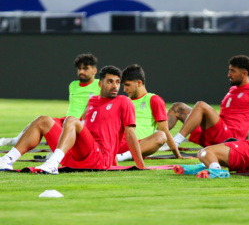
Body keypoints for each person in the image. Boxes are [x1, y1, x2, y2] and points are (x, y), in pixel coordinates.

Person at [0, 65, 145, 174]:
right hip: (77, 156)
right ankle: (7, 160)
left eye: (118, 82)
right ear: (100, 84)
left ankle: (52, 163)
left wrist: (140, 165)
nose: (115, 86)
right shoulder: (92, 102)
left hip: (99, 158)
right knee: (43, 120)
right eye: (110, 82)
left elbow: (130, 134)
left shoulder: (123, 101)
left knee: (71, 120)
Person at [166, 55, 249, 149]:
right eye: (229, 70)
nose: (229, 74)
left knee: (201, 105)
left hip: (228, 137)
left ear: (244, 74)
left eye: (233, 71)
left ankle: (176, 141)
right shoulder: (233, 90)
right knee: (178, 107)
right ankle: (157, 139)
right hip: (216, 133)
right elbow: (243, 118)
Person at [0, 53, 101, 146]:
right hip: (66, 121)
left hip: (84, 124)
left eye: (85, 68)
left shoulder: (100, 85)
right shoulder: (73, 85)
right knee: (38, 121)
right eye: (79, 69)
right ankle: (15, 141)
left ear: (94, 71)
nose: (81, 71)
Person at [116, 64, 186, 161]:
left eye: (127, 85)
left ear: (139, 83)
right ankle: (123, 156)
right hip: (117, 143)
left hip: (139, 144)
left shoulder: (154, 100)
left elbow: (165, 130)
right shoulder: (123, 101)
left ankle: (123, 157)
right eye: (124, 86)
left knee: (161, 135)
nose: (124, 89)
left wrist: (177, 155)